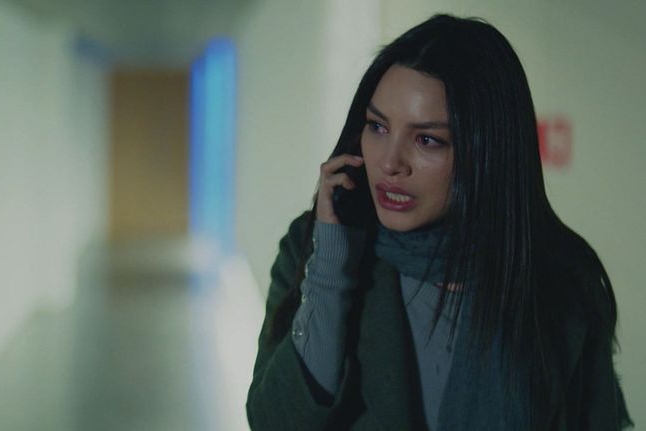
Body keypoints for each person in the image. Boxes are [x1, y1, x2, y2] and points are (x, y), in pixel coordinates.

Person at [246, 14, 633, 431]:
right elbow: (274, 423)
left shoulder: (562, 278)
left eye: (427, 139)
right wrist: (331, 269)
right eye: (377, 126)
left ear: (487, 151)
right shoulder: (317, 247)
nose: (390, 162)